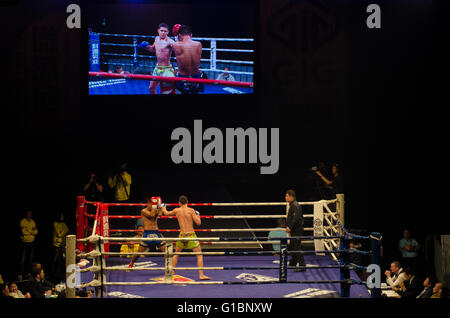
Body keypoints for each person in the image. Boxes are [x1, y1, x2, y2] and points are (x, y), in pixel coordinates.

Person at [161, 195, 211, 280]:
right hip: (191, 235)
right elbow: (198, 223)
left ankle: (171, 273)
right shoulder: (191, 211)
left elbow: (166, 213)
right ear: (187, 202)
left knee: (176, 254)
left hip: (182, 235)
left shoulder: (176, 210)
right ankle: (201, 275)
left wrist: (163, 207)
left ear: (179, 203)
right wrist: (197, 214)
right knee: (199, 255)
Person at [127, 197, 166, 269]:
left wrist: (160, 206)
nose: (152, 206)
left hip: (156, 232)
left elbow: (160, 215)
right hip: (147, 233)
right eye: (152, 204)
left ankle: (167, 267)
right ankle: (131, 263)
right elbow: (151, 215)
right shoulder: (143, 211)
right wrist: (155, 207)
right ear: (149, 204)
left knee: (165, 250)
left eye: (153, 204)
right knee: (139, 251)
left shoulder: (155, 210)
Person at [138, 22, 176, 94]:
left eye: (165, 31)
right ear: (158, 30)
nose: (163, 33)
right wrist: (146, 47)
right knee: (151, 88)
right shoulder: (156, 39)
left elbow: (178, 50)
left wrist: (176, 44)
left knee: (168, 92)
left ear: (168, 32)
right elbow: (153, 49)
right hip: (157, 68)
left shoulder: (170, 42)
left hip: (166, 70)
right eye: (161, 30)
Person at [170, 25, 204, 94]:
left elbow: (173, 42)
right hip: (196, 76)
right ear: (191, 35)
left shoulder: (175, 45)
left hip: (183, 77)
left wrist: (176, 35)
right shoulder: (199, 44)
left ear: (179, 35)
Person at [285, 189, 305, 272]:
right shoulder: (293, 204)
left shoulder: (294, 205)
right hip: (296, 229)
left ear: (291, 196)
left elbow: (296, 218)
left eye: (286, 196)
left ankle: (302, 265)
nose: (285, 197)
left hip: (296, 229)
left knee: (296, 247)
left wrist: (290, 227)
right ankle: (293, 262)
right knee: (294, 246)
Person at [19, 210, 38, 279]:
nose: (29, 215)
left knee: (30, 259)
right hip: (25, 242)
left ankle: (29, 273)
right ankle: (20, 274)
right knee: (23, 260)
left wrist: (28, 230)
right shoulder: (22, 221)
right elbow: (24, 232)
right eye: (28, 213)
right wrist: (31, 231)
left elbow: (36, 232)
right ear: (26, 214)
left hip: (32, 242)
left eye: (30, 214)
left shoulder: (33, 222)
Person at [51, 212, 69, 282]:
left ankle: (59, 273)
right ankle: (53, 273)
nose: (62, 217)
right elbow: (59, 234)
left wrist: (63, 232)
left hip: (62, 244)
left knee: (61, 260)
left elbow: (67, 230)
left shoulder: (63, 224)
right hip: (56, 244)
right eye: (61, 216)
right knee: (55, 259)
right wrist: (63, 231)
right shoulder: (55, 224)